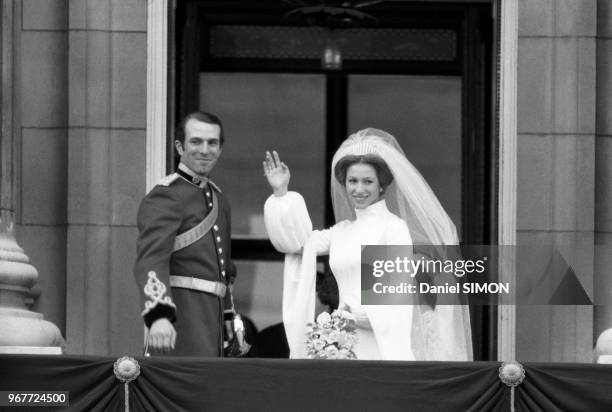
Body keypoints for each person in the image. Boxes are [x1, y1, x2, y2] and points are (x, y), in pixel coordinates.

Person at [262, 128, 472, 360]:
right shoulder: (341, 231)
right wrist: (281, 193)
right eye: (353, 181)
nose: (359, 189)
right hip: (342, 343)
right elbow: (299, 244)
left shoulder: (392, 227)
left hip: (380, 344)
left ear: (381, 185)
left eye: (368, 181)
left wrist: (359, 317)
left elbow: (397, 295)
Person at [133, 111, 236, 356]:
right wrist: (158, 315)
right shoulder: (166, 195)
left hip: (213, 323)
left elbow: (224, 271)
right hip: (180, 319)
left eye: (212, 143)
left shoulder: (219, 198)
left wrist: (229, 317)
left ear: (220, 149)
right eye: (196, 141)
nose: (205, 149)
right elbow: (151, 259)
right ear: (180, 146)